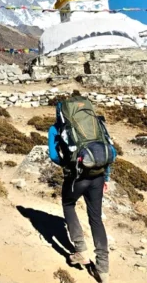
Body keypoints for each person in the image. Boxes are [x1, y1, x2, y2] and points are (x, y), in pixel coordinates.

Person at [48, 101, 116, 283]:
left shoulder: (56, 129)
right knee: (96, 218)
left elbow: (53, 155)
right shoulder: (96, 124)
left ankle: (80, 250)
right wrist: (106, 177)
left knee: (68, 204)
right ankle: (103, 269)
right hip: (98, 176)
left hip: (77, 177)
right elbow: (108, 150)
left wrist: (68, 165)